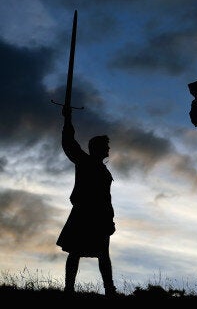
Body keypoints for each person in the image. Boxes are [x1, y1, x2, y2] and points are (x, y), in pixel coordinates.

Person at [56, 105, 117, 296]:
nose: (108, 148)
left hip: (100, 216)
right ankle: (69, 289)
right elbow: (69, 142)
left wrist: (110, 218)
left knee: (103, 254)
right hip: (84, 213)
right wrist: (67, 119)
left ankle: (109, 289)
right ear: (97, 148)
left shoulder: (102, 169)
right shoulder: (85, 161)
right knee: (75, 251)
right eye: (105, 146)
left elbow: (106, 198)